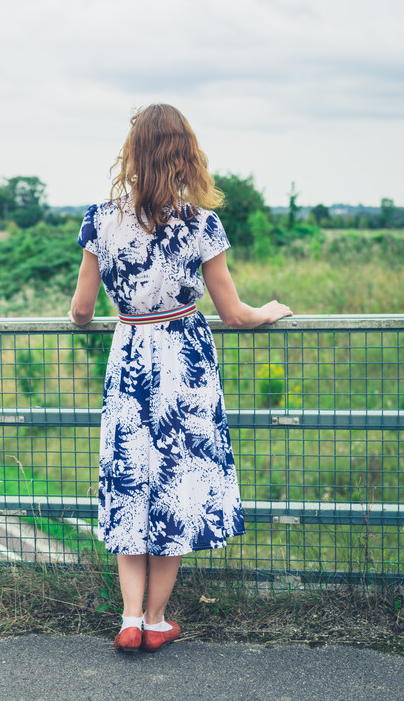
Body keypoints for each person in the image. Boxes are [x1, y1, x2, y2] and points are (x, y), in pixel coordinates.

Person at [69, 104, 292, 653]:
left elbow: (79, 311)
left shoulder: (100, 219)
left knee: (130, 481)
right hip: (184, 360)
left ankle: (128, 617)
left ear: (133, 153)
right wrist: (269, 311)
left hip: (129, 354)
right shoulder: (200, 223)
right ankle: (157, 619)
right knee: (175, 484)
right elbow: (234, 313)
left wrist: (108, 320)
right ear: (184, 154)